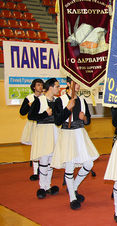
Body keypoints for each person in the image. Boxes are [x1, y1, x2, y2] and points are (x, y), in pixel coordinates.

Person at [51, 77, 99, 210]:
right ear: (68, 84)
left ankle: (74, 186)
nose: (78, 85)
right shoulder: (60, 101)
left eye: (79, 82)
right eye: (75, 82)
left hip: (80, 134)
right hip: (67, 134)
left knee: (89, 163)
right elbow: (57, 121)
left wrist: (85, 119)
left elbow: (88, 121)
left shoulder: (83, 101)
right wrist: (67, 108)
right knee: (70, 165)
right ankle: (73, 197)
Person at [28, 78, 60, 199]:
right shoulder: (39, 100)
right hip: (43, 132)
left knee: (51, 160)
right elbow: (31, 116)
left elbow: (58, 117)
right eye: (57, 86)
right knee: (44, 159)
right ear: (50, 87)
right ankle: (42, 185)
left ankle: (48, 185)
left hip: (54, 131)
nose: (58, 89)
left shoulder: (56, 101)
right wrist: (45, 114)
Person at [20, 78, 44, 181]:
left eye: (41, 85)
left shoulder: (44, 98)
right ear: (34, 87)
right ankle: (35, 171)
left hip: (43, 124)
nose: (40, 87)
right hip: (32, 124)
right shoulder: (29, 98)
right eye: (38, 85)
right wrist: (29, 105)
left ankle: (43, 168)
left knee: (43, 146)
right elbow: (22, 112)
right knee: (34, 147)